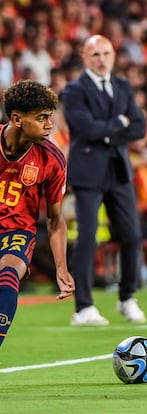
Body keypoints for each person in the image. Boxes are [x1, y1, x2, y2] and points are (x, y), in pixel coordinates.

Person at [62, 35, 147, 326]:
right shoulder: (74, 90)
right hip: (88, 172)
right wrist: (118, 125)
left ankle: (127, 298)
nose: (101, 59)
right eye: (95, 54)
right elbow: (85, 127)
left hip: (118, 170)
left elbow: (139, 126)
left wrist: (109, 130)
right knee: (87, 238)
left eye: (106, 53)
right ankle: (83, 307)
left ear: (113, 55)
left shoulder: (122, 85)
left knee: (132, 235)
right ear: (85, 57)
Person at [0, 79, 75, 348]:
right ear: (17, 119)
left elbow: (55, 219)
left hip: (16, 233)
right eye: (42, 118)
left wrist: (61, 268)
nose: (49, 125)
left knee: (9, 274)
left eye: (50, 117)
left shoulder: (52, 160)